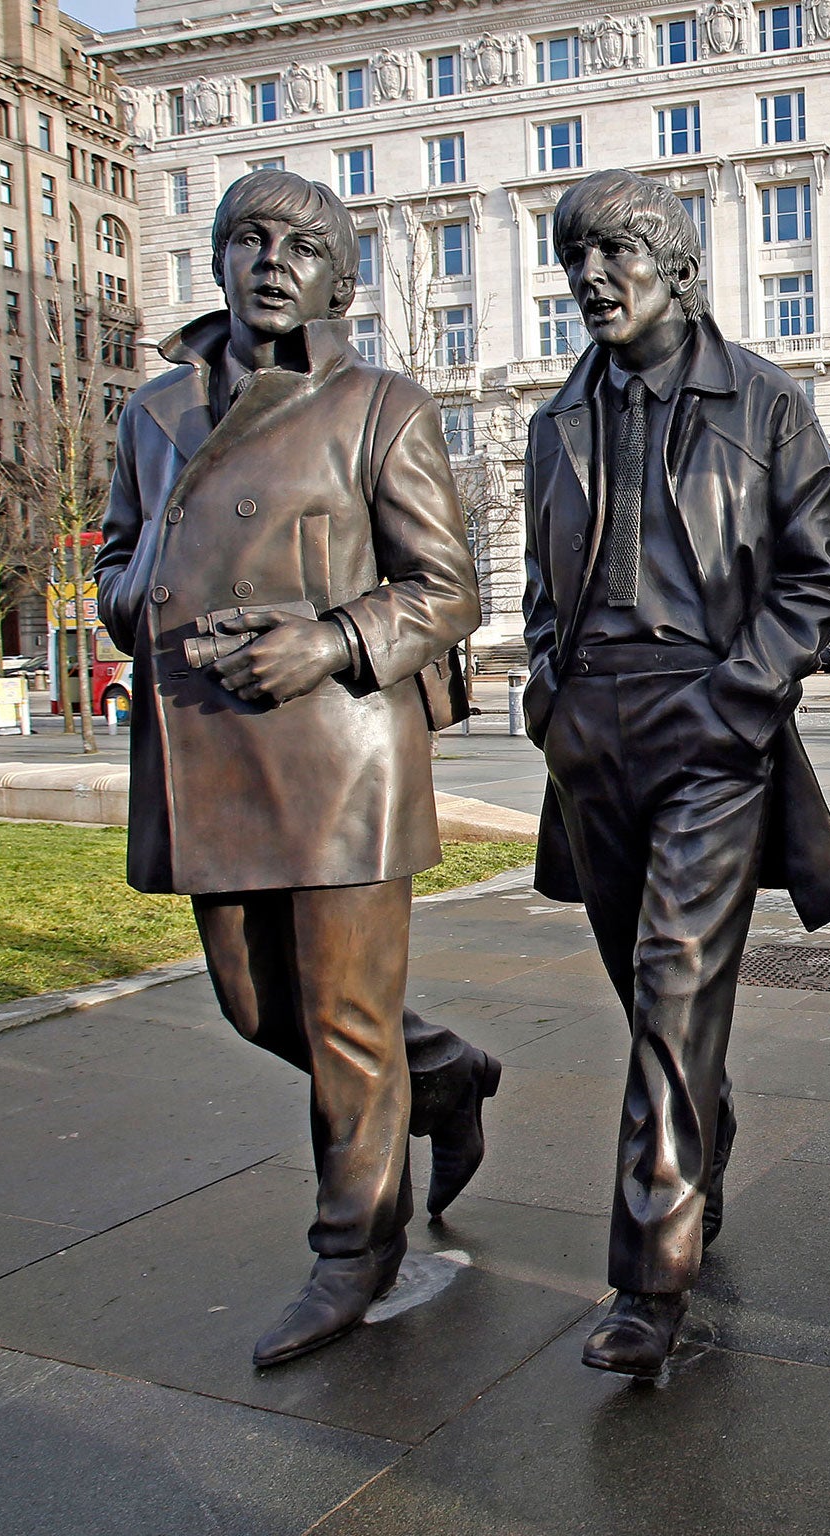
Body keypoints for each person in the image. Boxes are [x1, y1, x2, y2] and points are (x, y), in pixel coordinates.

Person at [93, 170, 500, 1368]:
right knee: (258, 1006)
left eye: (304, 247)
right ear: (218, 260)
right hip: (207, 741)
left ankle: (352, 1249)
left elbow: (448, 588)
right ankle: (451, 1077)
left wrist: (325, 639)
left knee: (343, 1016)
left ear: (341, 281)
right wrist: (145, 605)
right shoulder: (153, 411)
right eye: (249, 239)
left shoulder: (378, 404)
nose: (272, 260)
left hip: (338, 750)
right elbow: (119, 556)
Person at [520, 170, 830, 1379]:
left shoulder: (764, 403)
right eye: (576, 260)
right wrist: (544, 697)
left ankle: (647, 1281)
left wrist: (740, 693)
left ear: (676, 266)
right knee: (639, 983)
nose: (592, 278)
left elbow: (819, 572)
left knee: (673, 984)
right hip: (590, 733)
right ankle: (699, 1135)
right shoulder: (551, 419)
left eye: (616, 252)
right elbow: (537, 578)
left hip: (710, 723)